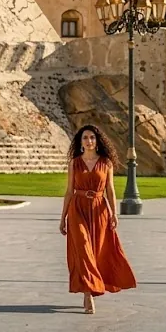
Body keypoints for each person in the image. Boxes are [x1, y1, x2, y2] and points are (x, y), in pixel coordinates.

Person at [58, 124, 137, 314]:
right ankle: (88, 294)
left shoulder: (106, 163)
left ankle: (91, 287)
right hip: (77, 209)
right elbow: (69, 191)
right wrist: (62, 218)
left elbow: (110, 190)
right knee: (84, 249)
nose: (89, 141)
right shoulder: (74, 163)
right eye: (85, 138)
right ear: (80, 142)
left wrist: (114, 213)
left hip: (99, 210)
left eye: (92, 137)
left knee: (96, 251)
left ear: (97, 141)